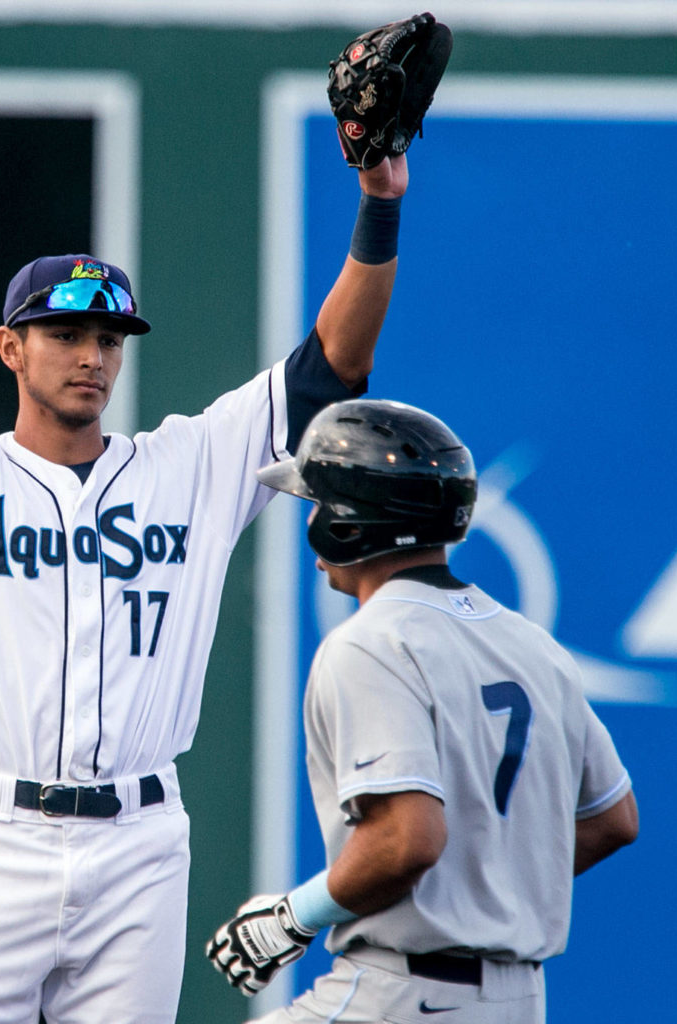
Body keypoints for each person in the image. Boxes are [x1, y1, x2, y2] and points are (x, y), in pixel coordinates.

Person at [0, 28, 412, 1024]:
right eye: (63, 333)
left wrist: (379, 206)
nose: (89, 354)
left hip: (139, 844)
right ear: (10, 345)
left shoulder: (190, 466)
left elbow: (330, 369)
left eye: (106, 336)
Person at [207, 399, 639, 1024]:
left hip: (406, 993)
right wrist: (484, 887)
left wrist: (291, 917)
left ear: (349, 523)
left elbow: (406, 839)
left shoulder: (371, 640)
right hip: (519, 1002)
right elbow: (612, 819)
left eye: (319, 503)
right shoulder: (534, 645)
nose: (312, 519)